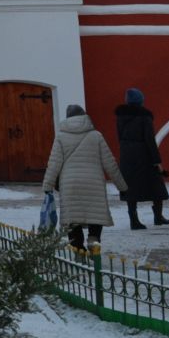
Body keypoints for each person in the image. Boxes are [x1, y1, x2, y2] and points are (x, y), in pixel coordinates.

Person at [42, 103, 127, 251]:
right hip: (93, 184)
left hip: (70, 185)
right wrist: (122, 186)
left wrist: (47, 186)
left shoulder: (61, 137)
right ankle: (94, 243)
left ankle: (78, 252)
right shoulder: (96, 136)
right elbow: (110, 163)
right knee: (95, 216)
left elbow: (54, 163)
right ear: (85, 116)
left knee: (73, 220)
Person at [115, 87, 169, 228]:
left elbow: (120, 136)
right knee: (157, 185)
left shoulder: (121, 116)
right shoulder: (145, 117)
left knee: (130, 187)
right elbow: (149, 139)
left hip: (127, 155)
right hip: (144, 154)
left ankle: (134, 221)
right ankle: (158, 216)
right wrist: (157, 160)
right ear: (141, 100)